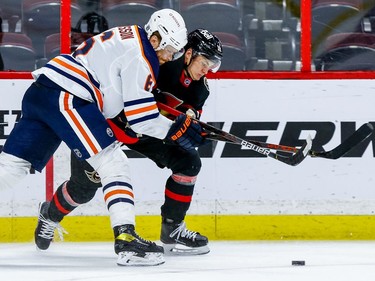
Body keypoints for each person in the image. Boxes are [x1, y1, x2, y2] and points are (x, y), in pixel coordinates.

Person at [0, 8, 206, 266]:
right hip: (68, 96)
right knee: (113, 162)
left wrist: (175, 124)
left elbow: (117, 102)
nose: (170, 57)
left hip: (44, 90)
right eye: (170, 50)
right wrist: (177, 130)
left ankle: (120, 236)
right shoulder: (143, 56)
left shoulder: (128, 35)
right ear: (155, 39)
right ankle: (126, 239)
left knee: (11, 169)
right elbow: (141, 118)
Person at [35, 29, 223, 255]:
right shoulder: (159, 61)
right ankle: (49, 215)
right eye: (204, 62)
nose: (207, 70)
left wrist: (190, 128)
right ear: (188, 54)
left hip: (147, 130)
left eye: (212, 65)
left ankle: (172, 228)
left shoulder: (200, 88)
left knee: (189, 162)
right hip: (109, 122)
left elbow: (184, 118)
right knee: (84, 188)